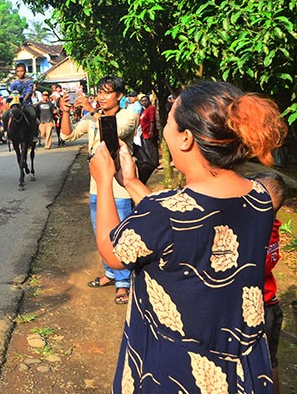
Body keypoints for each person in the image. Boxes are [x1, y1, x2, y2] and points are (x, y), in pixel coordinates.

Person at [90, 80, 286, 392]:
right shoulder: (261, 199)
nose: (164, 129)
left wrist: (103, 182)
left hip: (177, 372)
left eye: (168, 121)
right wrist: (130, 182)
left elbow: (111, 251)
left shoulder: (162, 212)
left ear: (185, 138)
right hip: (242, 369)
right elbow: (185, 220)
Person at [58, 76, 137, 305]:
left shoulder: (128, 116)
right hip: (97, 189)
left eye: (107, 93)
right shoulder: (91, 118)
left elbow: (112, 133)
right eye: (99, 92)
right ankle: (111, 272)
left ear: (119, 96)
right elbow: (67, 135)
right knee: (101, 234)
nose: (101, 97)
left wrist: (91, 110)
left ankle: (123, 283)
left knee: (119, 236)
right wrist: (64, 111)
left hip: (119, 189)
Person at [253, 171, 288, 394]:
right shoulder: (273, 228)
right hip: (270, 305)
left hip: (260, 308)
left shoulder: (258, 234)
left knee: (260, 364)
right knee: (271, 361)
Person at [135, 95, 159, 183]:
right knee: (147, 149)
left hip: (149, 132)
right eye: (142, 101)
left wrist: (151, 130)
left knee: (152, 149)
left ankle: (154, 164)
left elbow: (152, 120)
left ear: (149, 101)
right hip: (143, 132)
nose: (144, 102)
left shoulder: (151, 109)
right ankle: (150, 163)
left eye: (145, 101)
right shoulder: (144, 110)